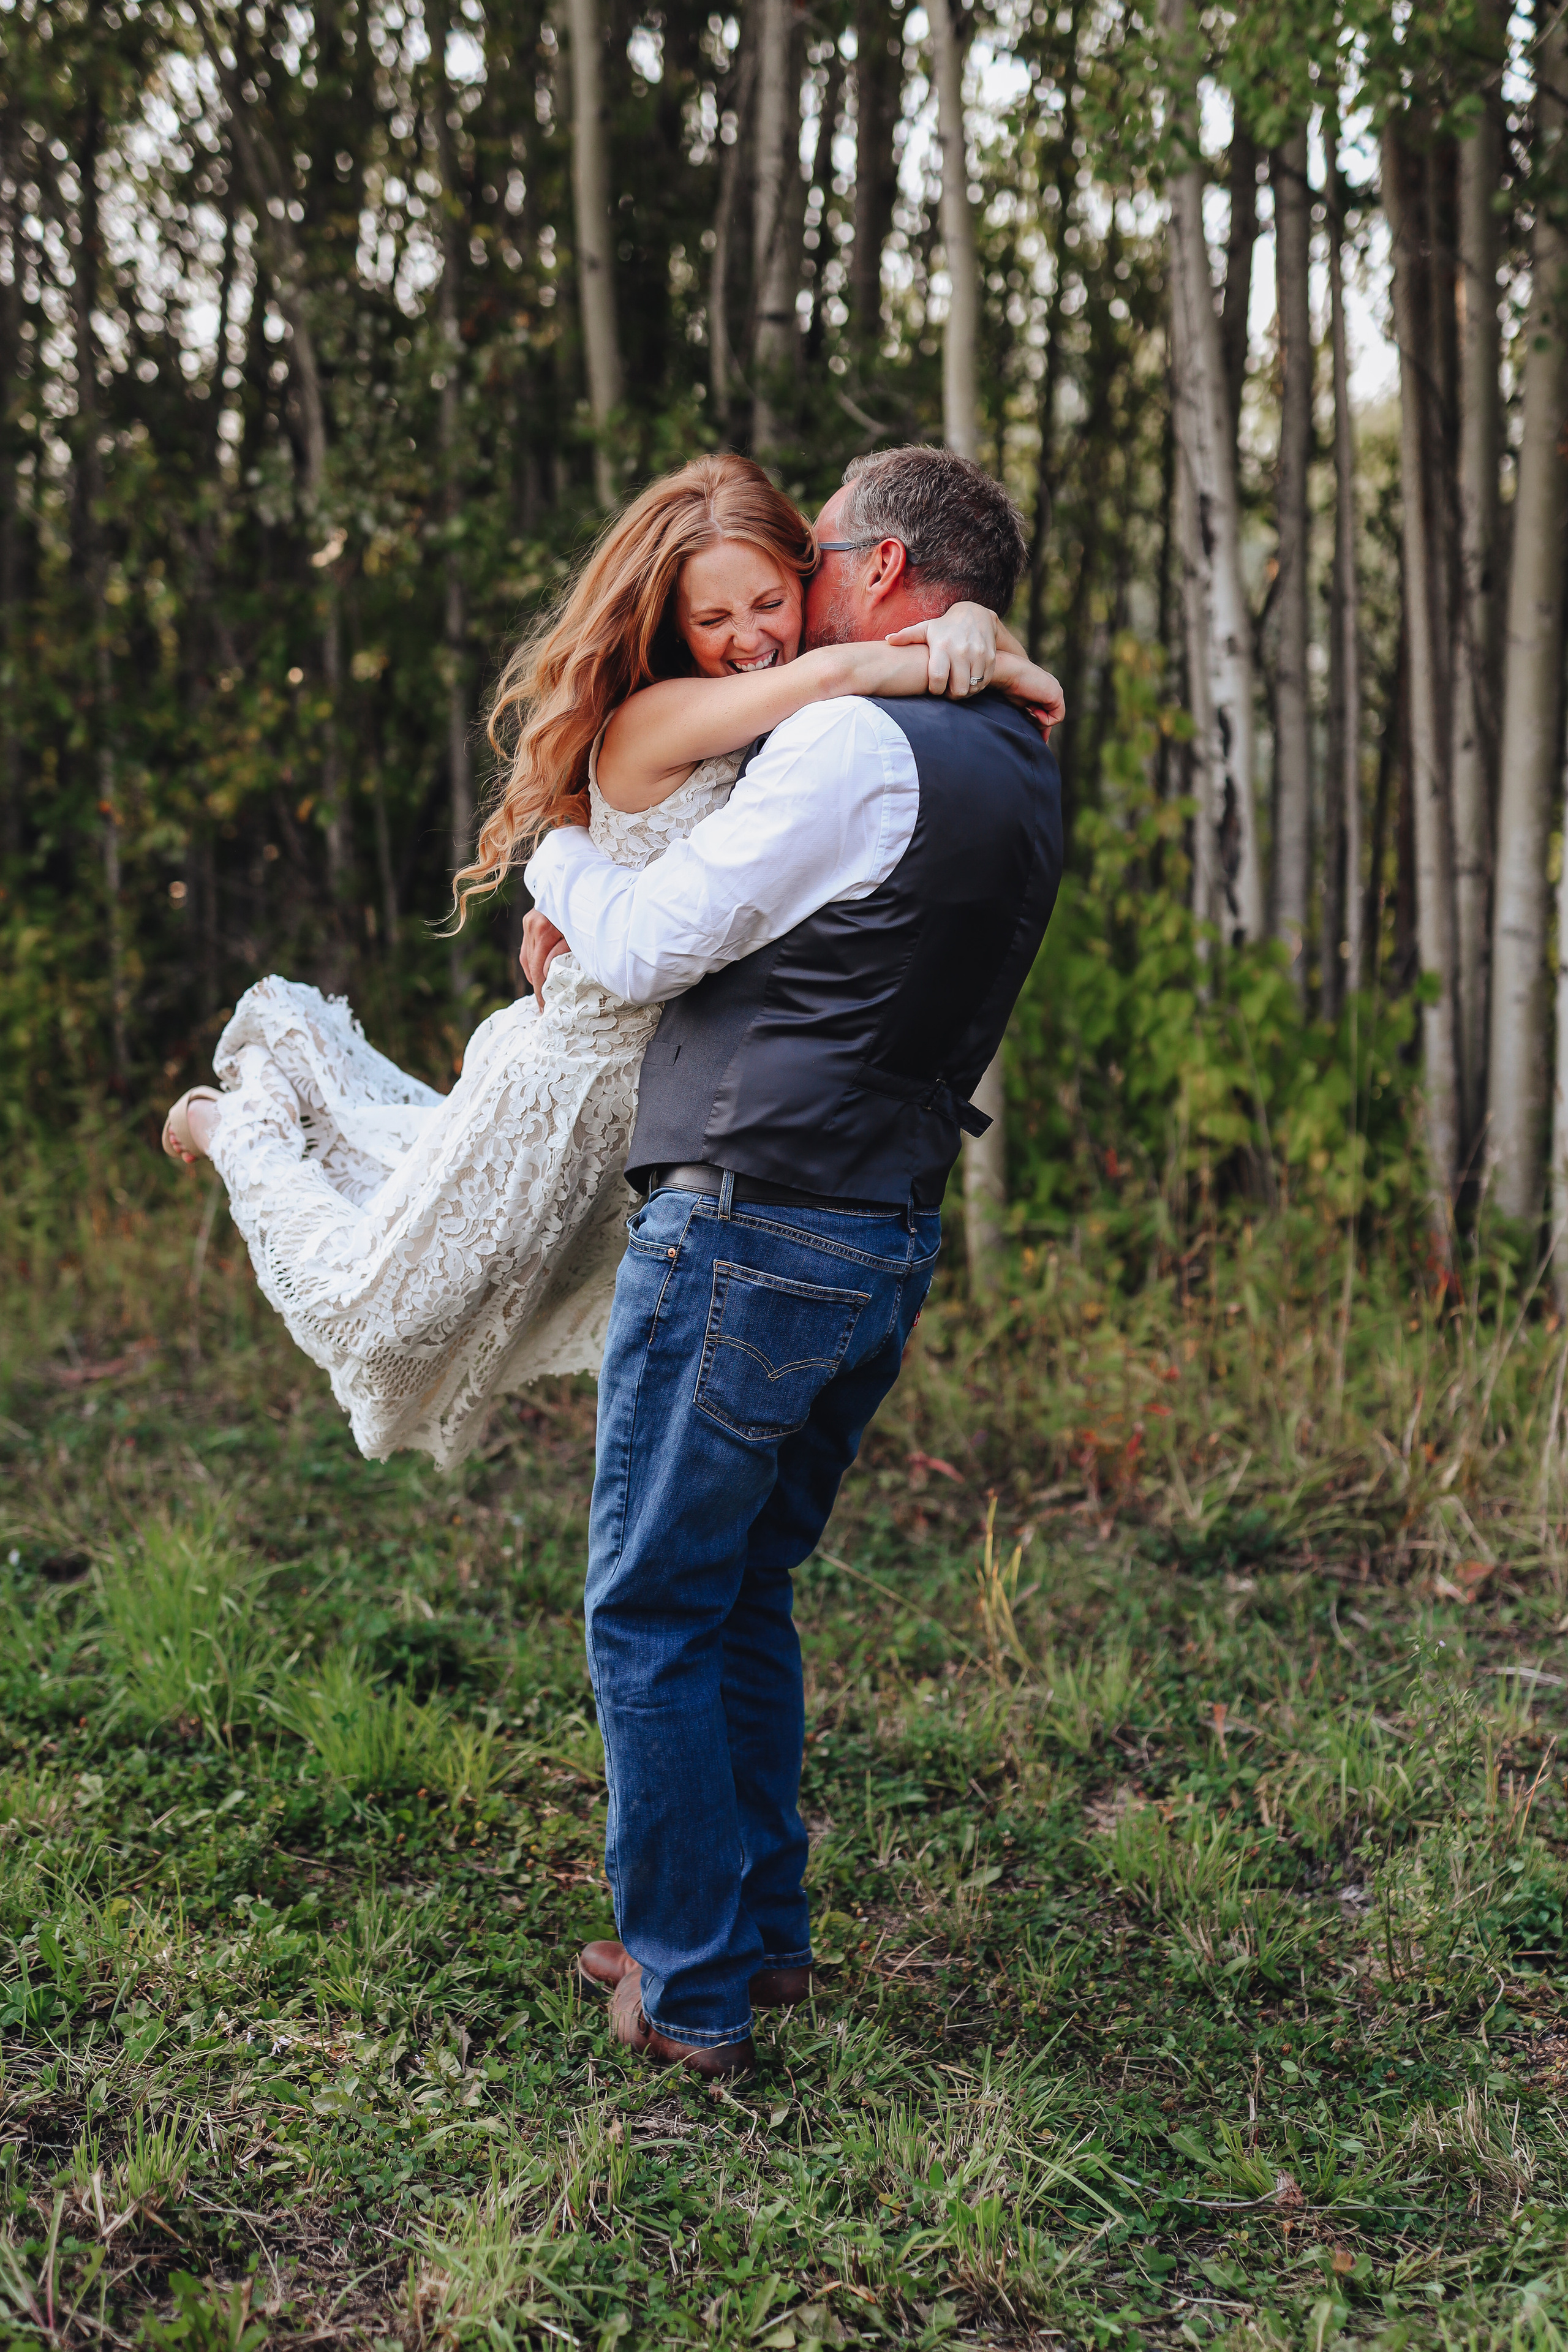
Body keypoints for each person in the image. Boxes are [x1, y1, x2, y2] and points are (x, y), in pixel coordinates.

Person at [160, 454, 1061, 1469]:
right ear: (670, 622)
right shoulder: (668, 717)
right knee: (373, 1323)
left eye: (771, 601)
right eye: (711, 620)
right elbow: (848, 667)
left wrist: (978, 626)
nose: (749, 639)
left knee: (419, 1198)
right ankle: (231, 1123)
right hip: (566, 1086)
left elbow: (882, 632)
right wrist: (1002, 656)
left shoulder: (793, 719)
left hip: (659, 1111)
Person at [519, 445, 1065, 2079]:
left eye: (819, 551)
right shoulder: (1022, 747)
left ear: (884, 575)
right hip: (883, 1231)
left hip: (754, 1223)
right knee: (739, 1591)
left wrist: (554, 853)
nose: (802, 578)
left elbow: (639, 942)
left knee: (654, 1606)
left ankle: (685, 1984)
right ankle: (750, 1939)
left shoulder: (846, 740)